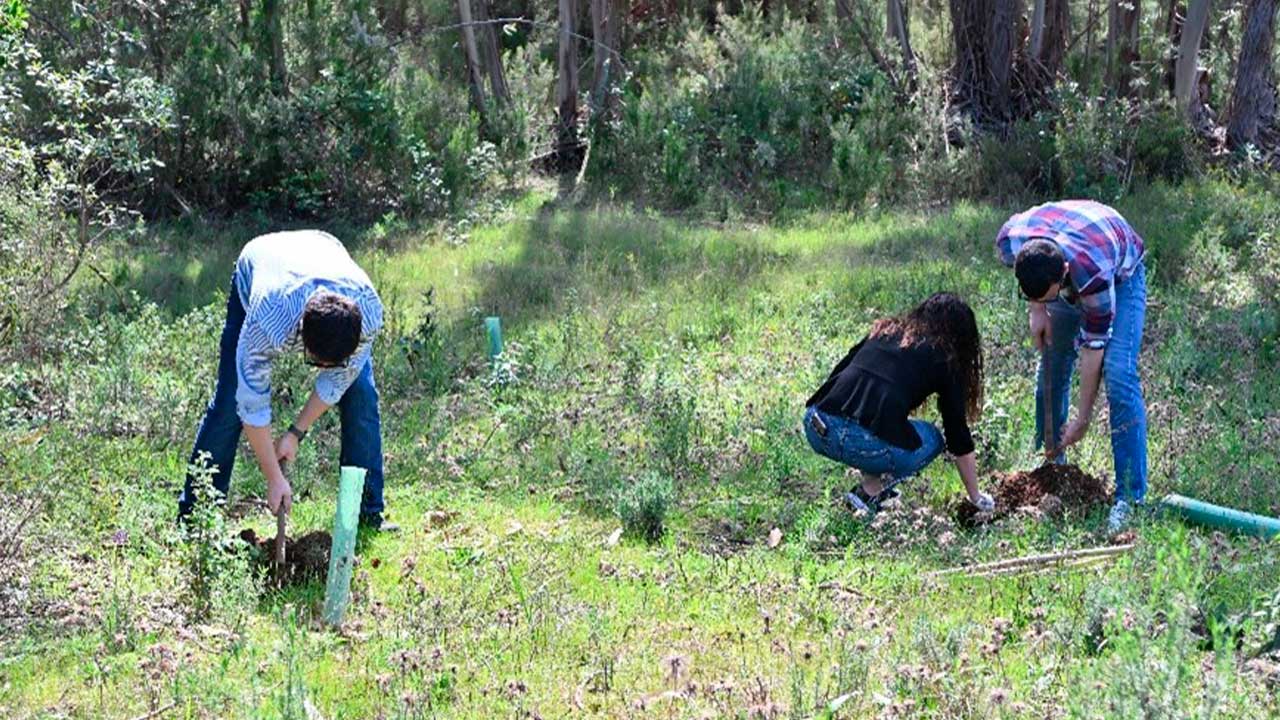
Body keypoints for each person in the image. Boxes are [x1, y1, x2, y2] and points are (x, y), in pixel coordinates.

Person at [178, 230, 394, 530]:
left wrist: (295, 433)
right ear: (301, 337)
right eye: (317, 362)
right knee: (229, 402)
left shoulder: (368, 313)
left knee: (362, 395)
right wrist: (273, 477)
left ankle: (369, 513)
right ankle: (195, 518)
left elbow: (337, 382)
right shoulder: (268, 317)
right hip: (262, 261)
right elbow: (251, 402)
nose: (323, 369)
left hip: (322, 248)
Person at [995, 200, 1147, 532]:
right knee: (1051, 362)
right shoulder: (1011, 242)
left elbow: (1093, 352)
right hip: (1070, 242)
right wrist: (1038, 309)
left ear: (1063, 273)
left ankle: (1130, 499)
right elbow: (1033, 276)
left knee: (1120, 375)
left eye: (1049, 295)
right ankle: (1051, 469)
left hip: (1120, 272)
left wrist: (1083, 417)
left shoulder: (1092, 276)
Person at [803, 293, 995, 515]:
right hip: (855, 442)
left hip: (815, 424)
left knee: (882, 425)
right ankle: (869, 492)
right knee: (931, 439)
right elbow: (957, 436)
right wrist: (976, 496)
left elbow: (838, 374)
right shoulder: (945, 357)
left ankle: (872, 489)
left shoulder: (884, 330)